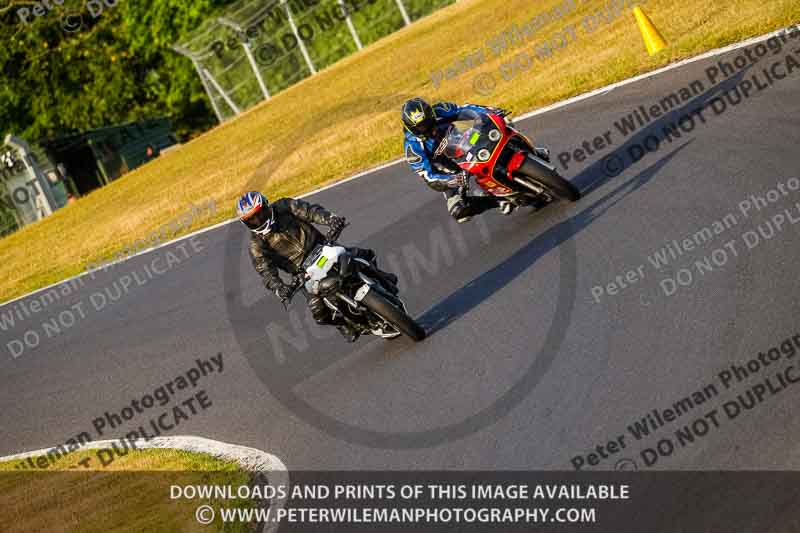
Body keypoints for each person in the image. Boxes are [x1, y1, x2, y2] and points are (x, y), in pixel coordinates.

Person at [237, 192, 397, 343]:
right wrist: (280, 288)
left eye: (259, 214)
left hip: (323, 247)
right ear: (246, 223)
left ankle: (384, 279)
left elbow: (310, 211)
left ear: (267, 206)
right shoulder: (256, 245)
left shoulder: (283, 206)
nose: (258, 220)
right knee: (318, 312)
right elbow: (265, 271)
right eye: (252, 220)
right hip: (303, 272)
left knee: (363, 255)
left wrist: (330, 219)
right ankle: (346, 324)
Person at [401, 97, 551, 223]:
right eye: (422, 127)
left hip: (466, 142)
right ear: (412, 128)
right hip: (453, 171)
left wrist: (492, 112)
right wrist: (452, 179)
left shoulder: (440, 109)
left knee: (503, 128)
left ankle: (531, 152)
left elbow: (468, 108)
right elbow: (429, 176)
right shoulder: (412, 149)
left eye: (429, 120)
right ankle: (499, 200)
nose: (428, 127)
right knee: (458, 211)